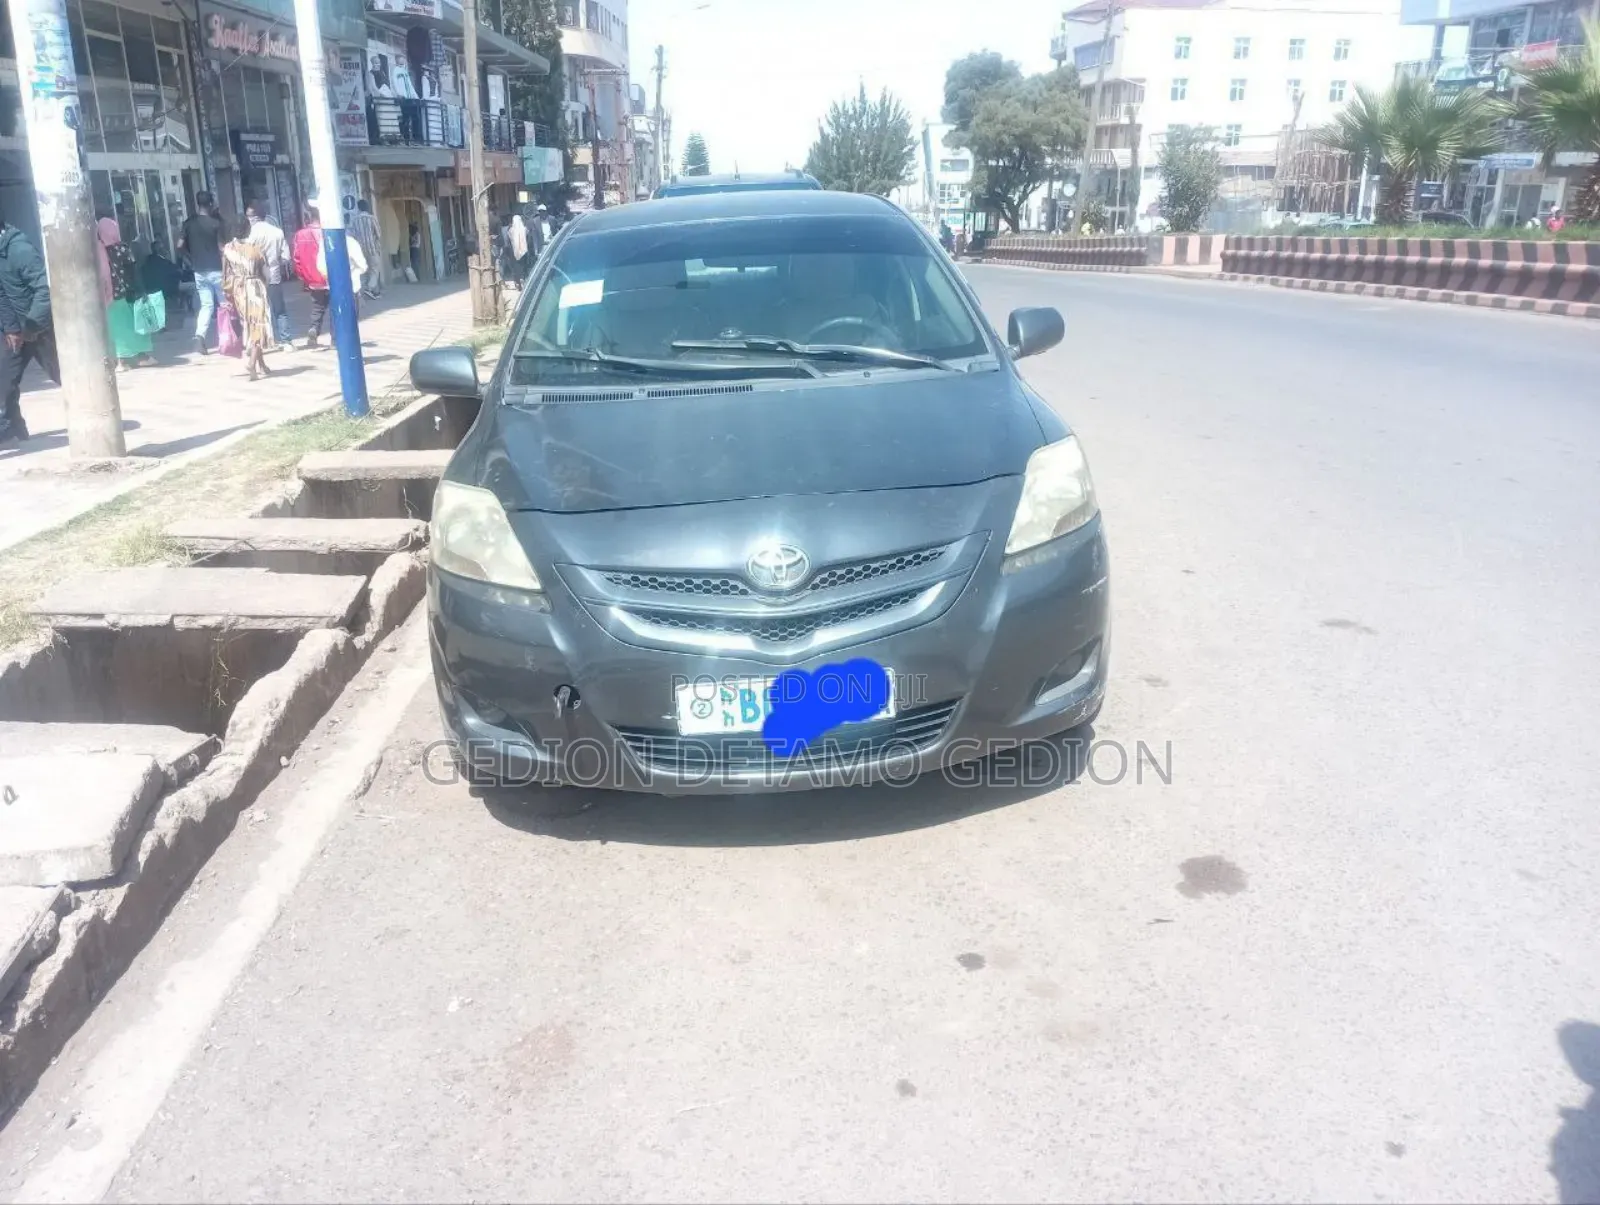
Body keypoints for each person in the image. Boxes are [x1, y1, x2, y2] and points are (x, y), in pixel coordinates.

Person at [0, 218, 57, 447]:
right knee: (4, 378)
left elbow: (44, 289)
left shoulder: (20, 249)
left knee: (65, 373)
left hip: (42, 327)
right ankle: (12, 426)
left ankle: (91, 416)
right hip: (19, 330)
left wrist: (33, 326)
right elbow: (1, 294)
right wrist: (12, 329)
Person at [291, 201, 368, 350]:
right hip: (336, 281)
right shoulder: (330, 235)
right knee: (336, 309)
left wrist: (303, 277)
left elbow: (297, 258)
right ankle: (335, 339)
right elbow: (362, 265)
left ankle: (314, 329)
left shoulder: (300, 235)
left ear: (309, 217)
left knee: (318, 307)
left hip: (314, 278)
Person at [223, 217, 277, 380]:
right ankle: (252, 363)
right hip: (255, 288)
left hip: (238, 290)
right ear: (248, 230)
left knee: (250, 324)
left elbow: (225, 274)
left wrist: (228, 293)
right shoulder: (256, 249)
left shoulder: (227, 249)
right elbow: (265, 274)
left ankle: (261, 365)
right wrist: (264, 285)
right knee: (259, 325)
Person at [97, 217, 154, 371]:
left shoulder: (96, 252)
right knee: (136, 326)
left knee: (116, 329)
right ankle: (142, 356)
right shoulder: (122, 249)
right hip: (127, 294)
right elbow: (134, 272)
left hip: (107, 297)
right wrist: (141, 290)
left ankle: (121, 361)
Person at [179, 191, 224, 356]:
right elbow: (221, 248)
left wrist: (190, 259)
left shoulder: (188, 223)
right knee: (225, 304)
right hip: (217, 269)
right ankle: (229, 337)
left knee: (206, 306)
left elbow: (179, 245)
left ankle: (199, 337)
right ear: (211, 203)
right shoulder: (216, 223)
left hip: (199, 271)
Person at [245, 202, 292, 345]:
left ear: (254, 217)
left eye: (249, 216)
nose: (248, 219)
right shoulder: (277, 232)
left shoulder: (250, 234)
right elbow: (286, 258)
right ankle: (286, 341)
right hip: (274, 275)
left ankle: (263, 341)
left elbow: (247, 257)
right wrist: (274, 260)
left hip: (255, 277)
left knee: (259, 311)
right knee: (279, 310)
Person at [139, 239, 183, 322]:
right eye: (163, 248)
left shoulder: (147, 260)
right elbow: (177, 272)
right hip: (162, 289)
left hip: (149, 288)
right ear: (160, 250)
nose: (165, 249)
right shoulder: (163, 262)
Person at [350, 199, 384, 299]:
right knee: (374, 270)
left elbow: (352, 235)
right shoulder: (372, 218)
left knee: (363, 270)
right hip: (372, 249)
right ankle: (369, 289)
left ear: (358, 208)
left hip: (359, 250)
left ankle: (372, 292)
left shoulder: (354, 220)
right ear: (367, 207)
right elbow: (378, 233)